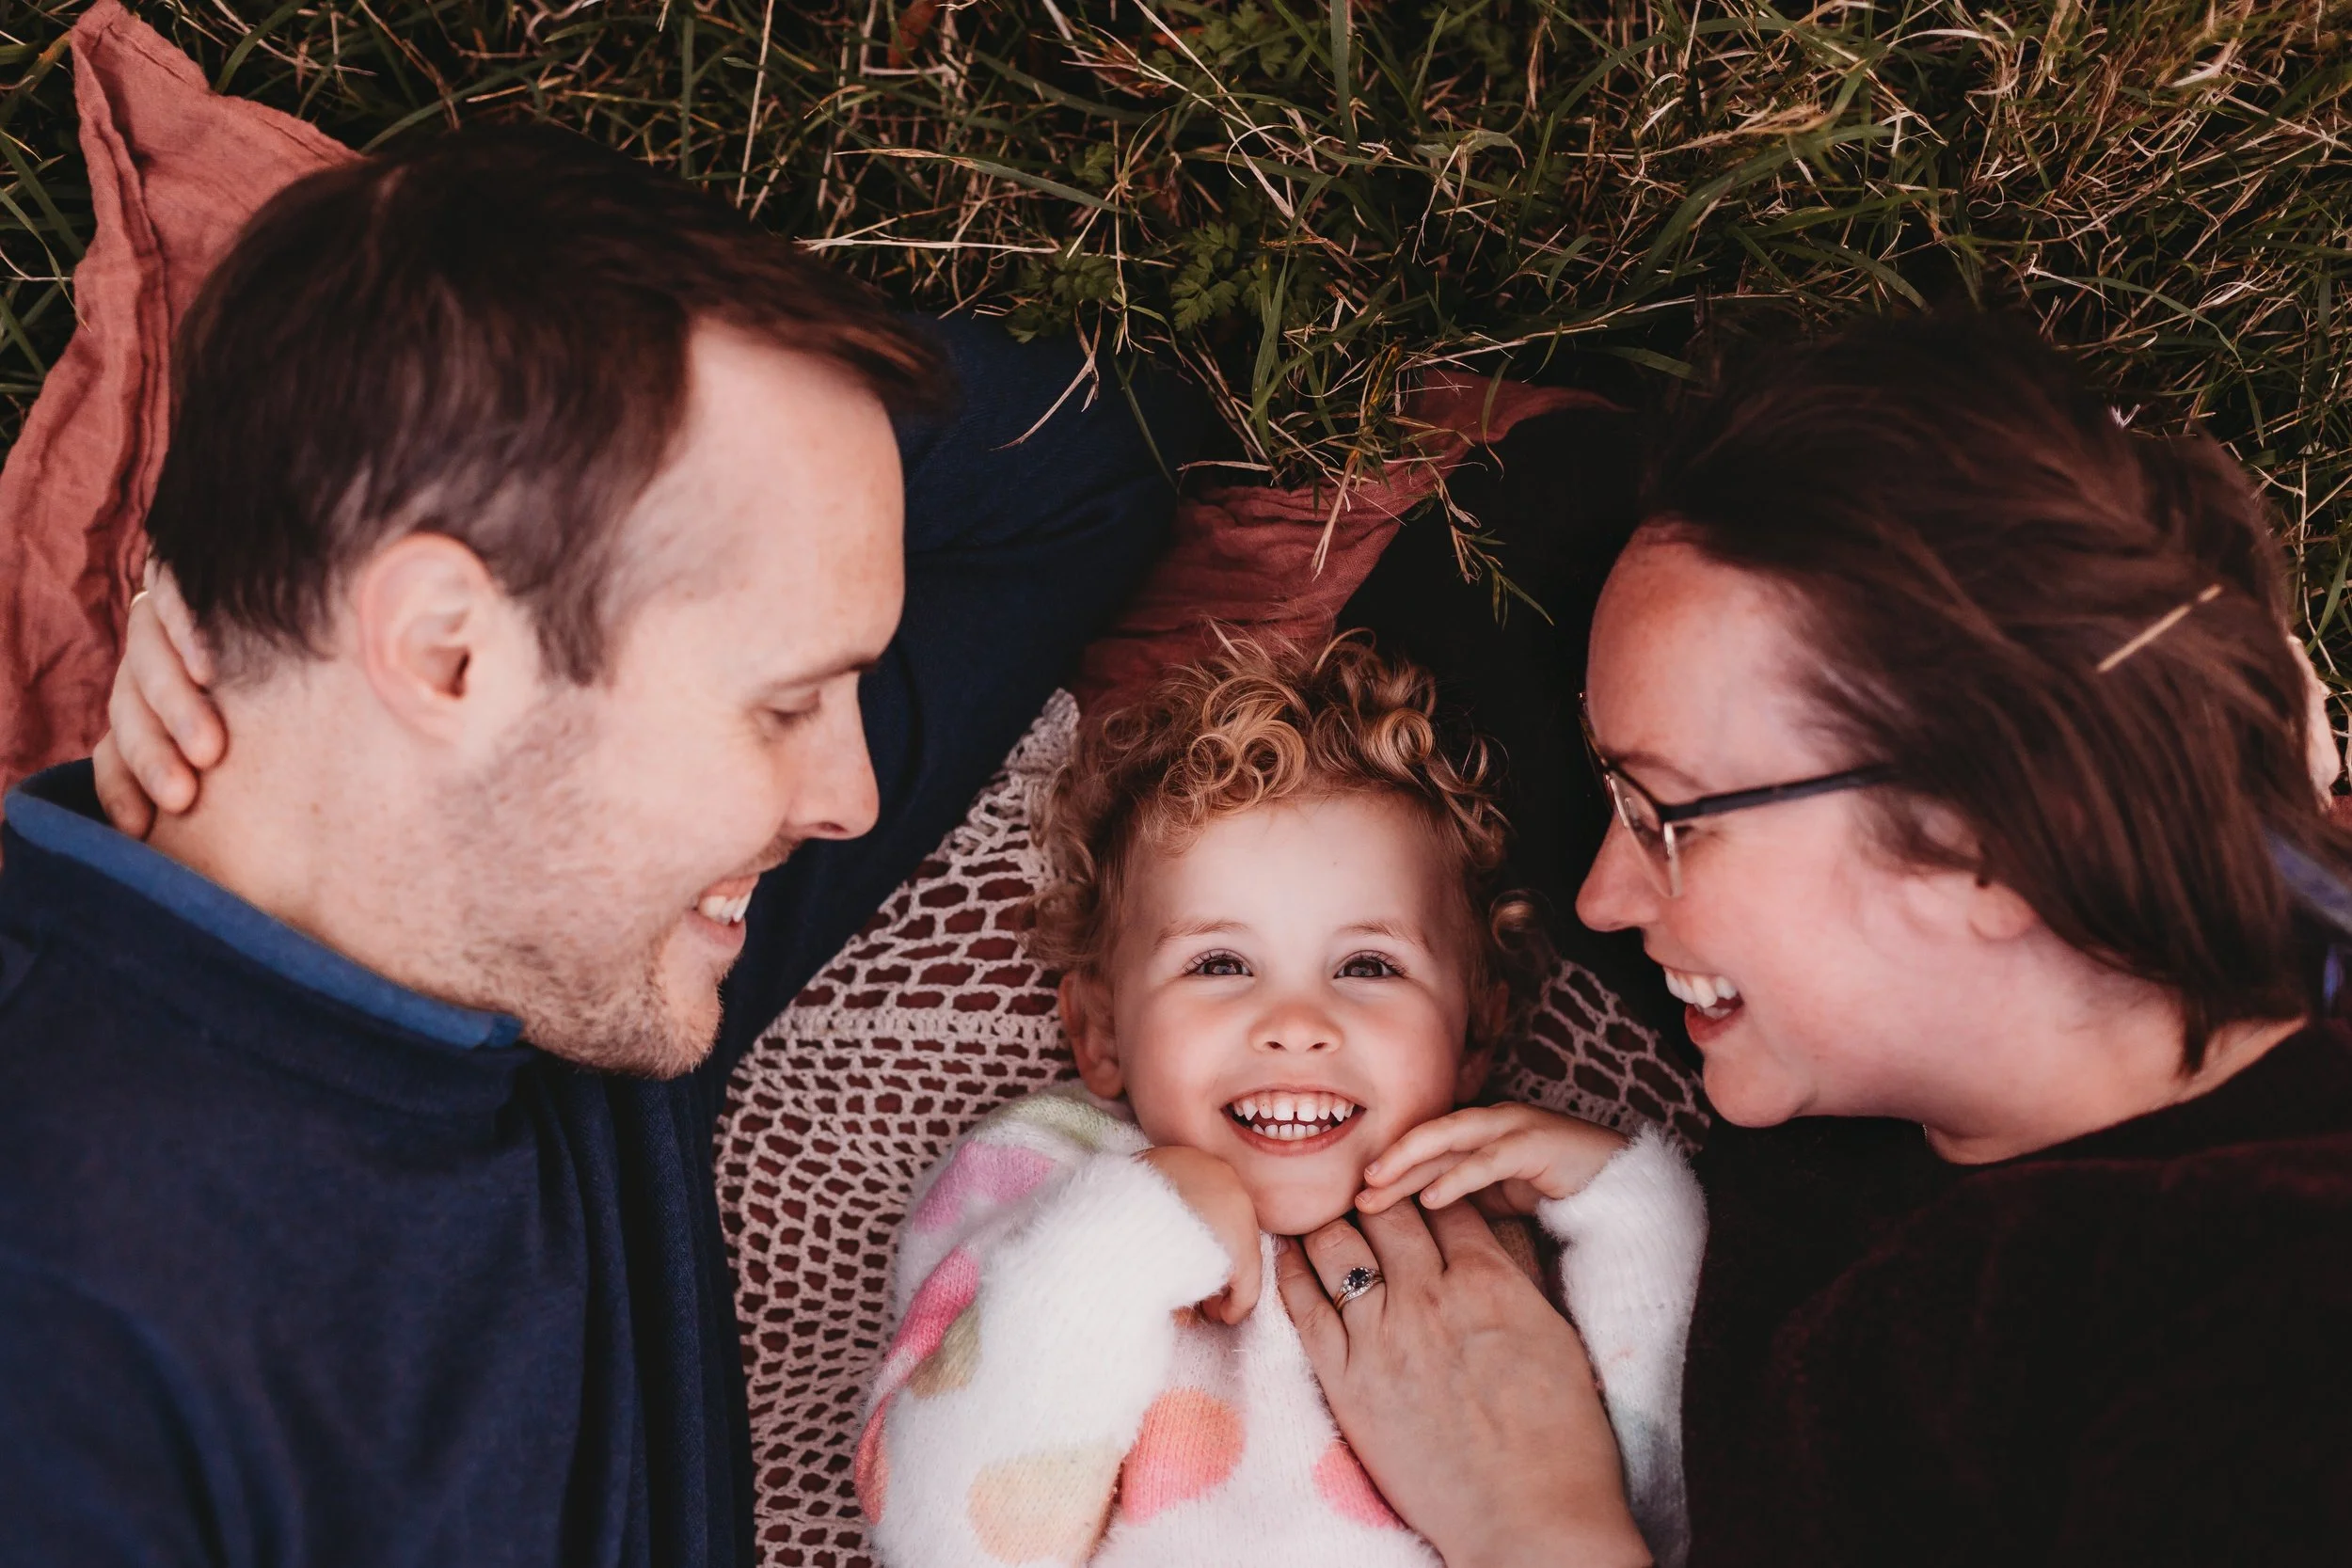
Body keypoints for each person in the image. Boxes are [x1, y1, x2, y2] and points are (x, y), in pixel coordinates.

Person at [0, 123, 1200, 1565]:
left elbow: (1085, 468)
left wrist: (266, 553)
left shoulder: (557, 948)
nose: (849, 790)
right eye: (784, 700)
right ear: (448, 656)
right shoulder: (64, 1311)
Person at [1272, 313, 2352, 1564]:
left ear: (1991, 839)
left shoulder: (2278, 1335)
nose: (1611, 891)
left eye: (1664, 817)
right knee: (1523, 543)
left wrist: (1537, 1517)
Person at [856, 637, 1706, 1568]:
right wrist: (1137, 1226)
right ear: (1099, 1030)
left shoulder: (1510, 1222)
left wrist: (1627, 1204)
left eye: (1368, 965)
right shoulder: (1051, 1175)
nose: (1297, 1022)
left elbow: (1661, 1510)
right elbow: (940, 1538)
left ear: (1474, 1033)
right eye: (1219, 963)